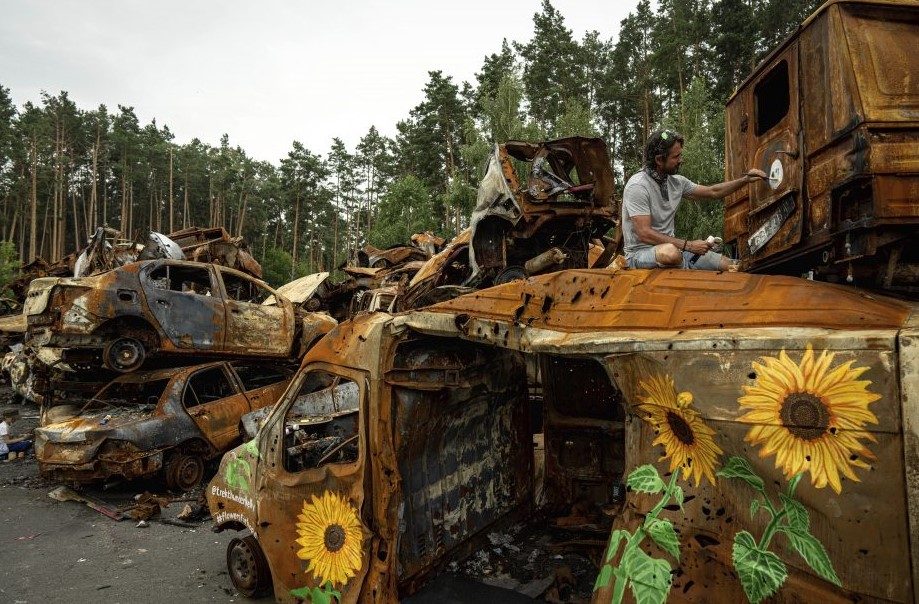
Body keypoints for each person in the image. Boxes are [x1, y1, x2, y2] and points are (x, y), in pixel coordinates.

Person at [621, 129, 767, 271]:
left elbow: (713, 191)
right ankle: (688, 266)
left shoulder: (677, 182)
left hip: (678, 250)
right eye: (676, 157)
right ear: (659, 160)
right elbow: (644, 233)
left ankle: (688, 262)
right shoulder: (638, 186)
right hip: (640, 255)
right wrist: (689, 246)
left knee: (731, 265)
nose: (681, 160)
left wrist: (745, 180)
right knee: (670, 253)